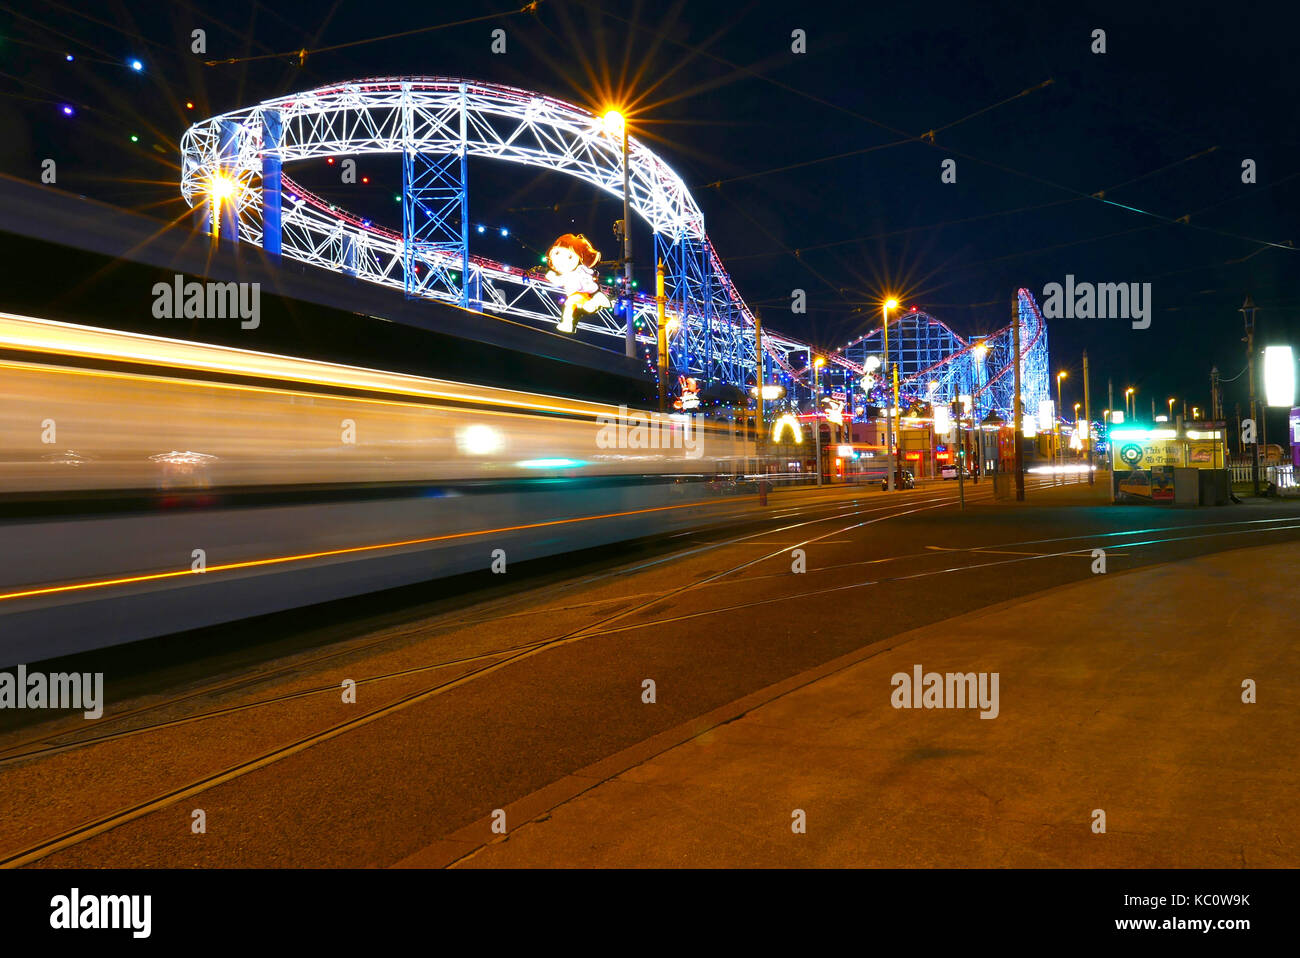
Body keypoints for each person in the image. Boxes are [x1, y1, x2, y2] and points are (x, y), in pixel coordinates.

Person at [544, 233, 612, 332]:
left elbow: (560, 281)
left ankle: (569, 322)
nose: (561, 260)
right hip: (578, 296)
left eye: (570, 257)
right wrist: (552, 276)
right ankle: (569, 322)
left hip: (585, 293)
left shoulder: (580, 272)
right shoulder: (568, 275)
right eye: (557, 253)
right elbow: (559, 281)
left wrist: (552, 276)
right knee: (576, 305)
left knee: (571, 303)